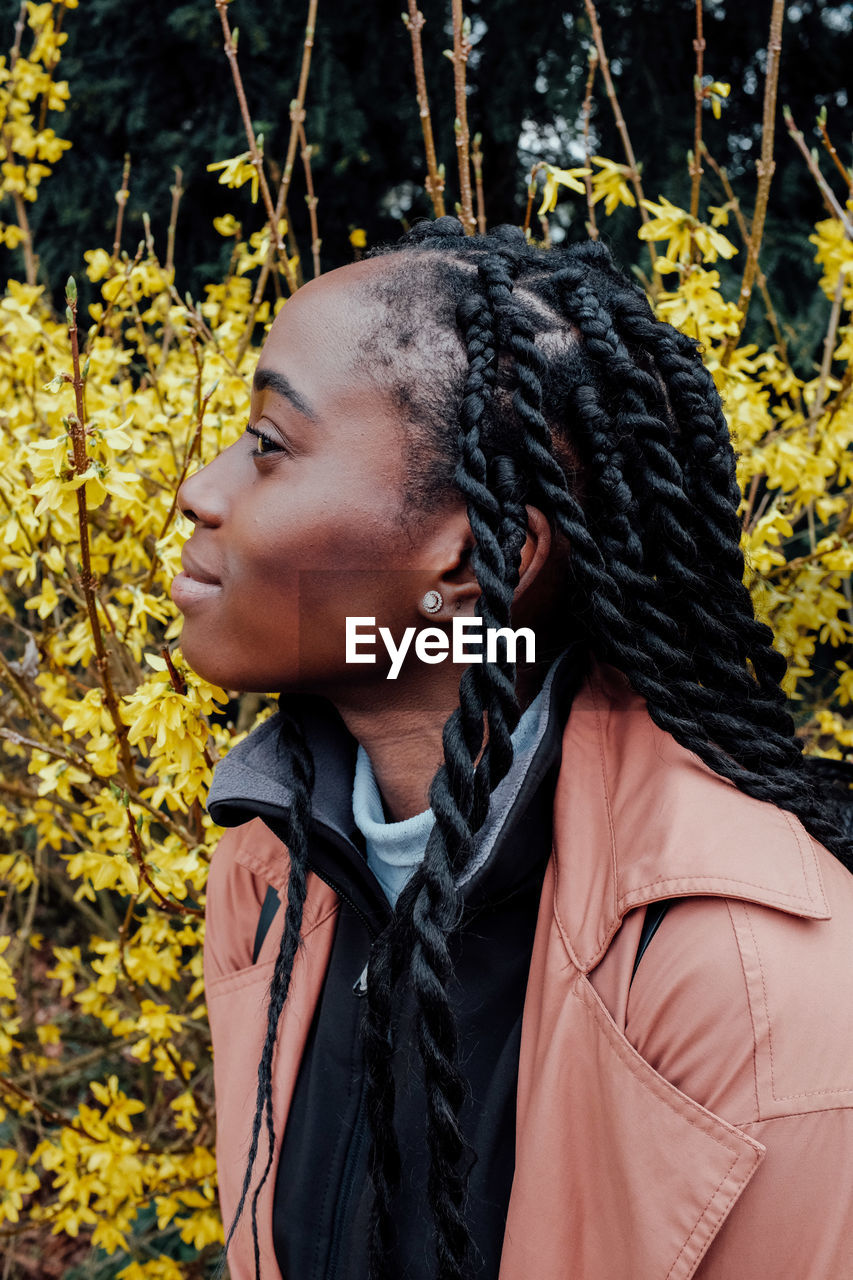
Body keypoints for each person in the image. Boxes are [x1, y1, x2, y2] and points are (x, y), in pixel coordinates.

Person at [172, 218, 853, 1280]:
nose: (201, 490)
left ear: (473, 564)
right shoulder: (270, 863)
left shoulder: (737, 973)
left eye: (269, 445)